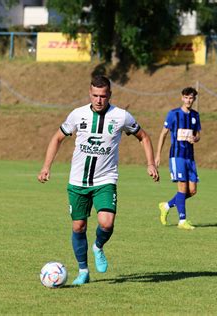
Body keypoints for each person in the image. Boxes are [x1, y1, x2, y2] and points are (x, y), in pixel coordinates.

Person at [38, 75, 159, 285]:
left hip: (105, 179)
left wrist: (150, 163)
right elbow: (57, 137)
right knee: (78, 227)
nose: (99, 100)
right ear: (90, 94)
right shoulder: (78, 115)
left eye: (103, 96)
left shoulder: (121, 116)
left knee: (107, 222)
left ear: (110, 95)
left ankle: (98, 247)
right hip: (78, 182)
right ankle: (83, 271)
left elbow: (144, 137)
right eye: (95, 95)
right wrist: (46, 167)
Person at [155, 87, 201, 230]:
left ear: (194, 99)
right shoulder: (173, 114)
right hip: (177, 156)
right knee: (182, 188)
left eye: (191, 98)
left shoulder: (195, 115)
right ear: (182, 98)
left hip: (190, 158)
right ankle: (182, 220)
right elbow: (163, 134)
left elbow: (198, 134)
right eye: (186, 97)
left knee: (192, 190)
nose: (188, 100)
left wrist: (196, 138)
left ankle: (167, 205)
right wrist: (158, 154)